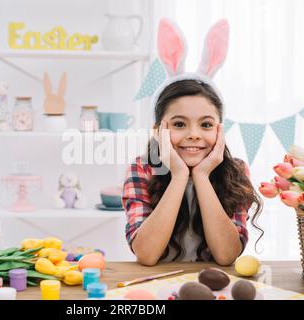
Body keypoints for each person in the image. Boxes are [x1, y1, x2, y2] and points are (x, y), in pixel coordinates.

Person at [122, 18, 263, 266]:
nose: (194, 134)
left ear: (220, 130)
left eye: (206, 125)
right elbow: (146, 254)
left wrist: (202, 176)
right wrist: (178, 175)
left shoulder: (235, 170)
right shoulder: (142, 169)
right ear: (158, 131)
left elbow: (227, 255)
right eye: (179, 124)